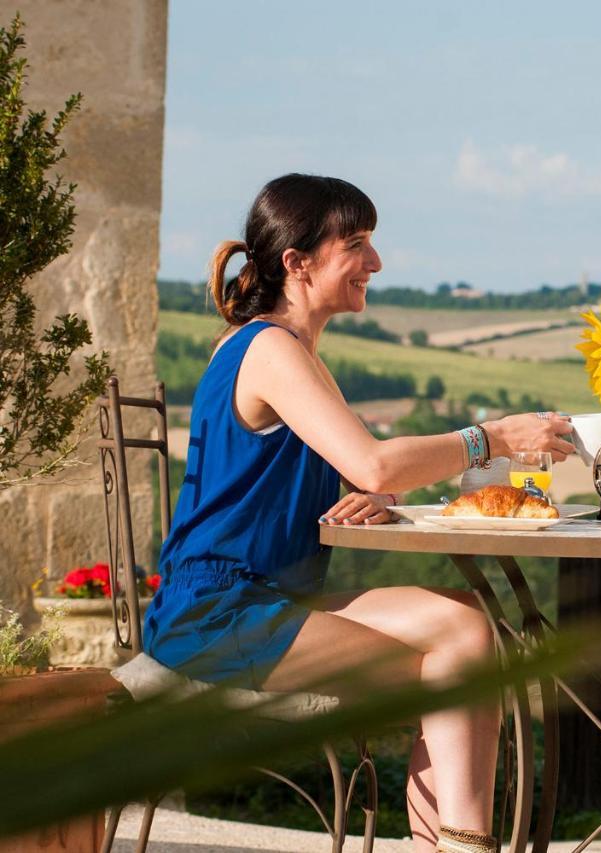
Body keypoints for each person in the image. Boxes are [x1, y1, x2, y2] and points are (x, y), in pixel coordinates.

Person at [144, 174, 575, 853]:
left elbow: (366, 471)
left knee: (464, 617)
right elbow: (375, 460)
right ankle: (463, 845)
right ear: (297, 261)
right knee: (462, 643)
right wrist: (491, 437)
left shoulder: (292, 352)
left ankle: (453, 844)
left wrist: (376, 494)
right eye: (358, 244)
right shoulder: (269, 349)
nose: (374, 263)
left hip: (264, 601)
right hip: (218, 616)